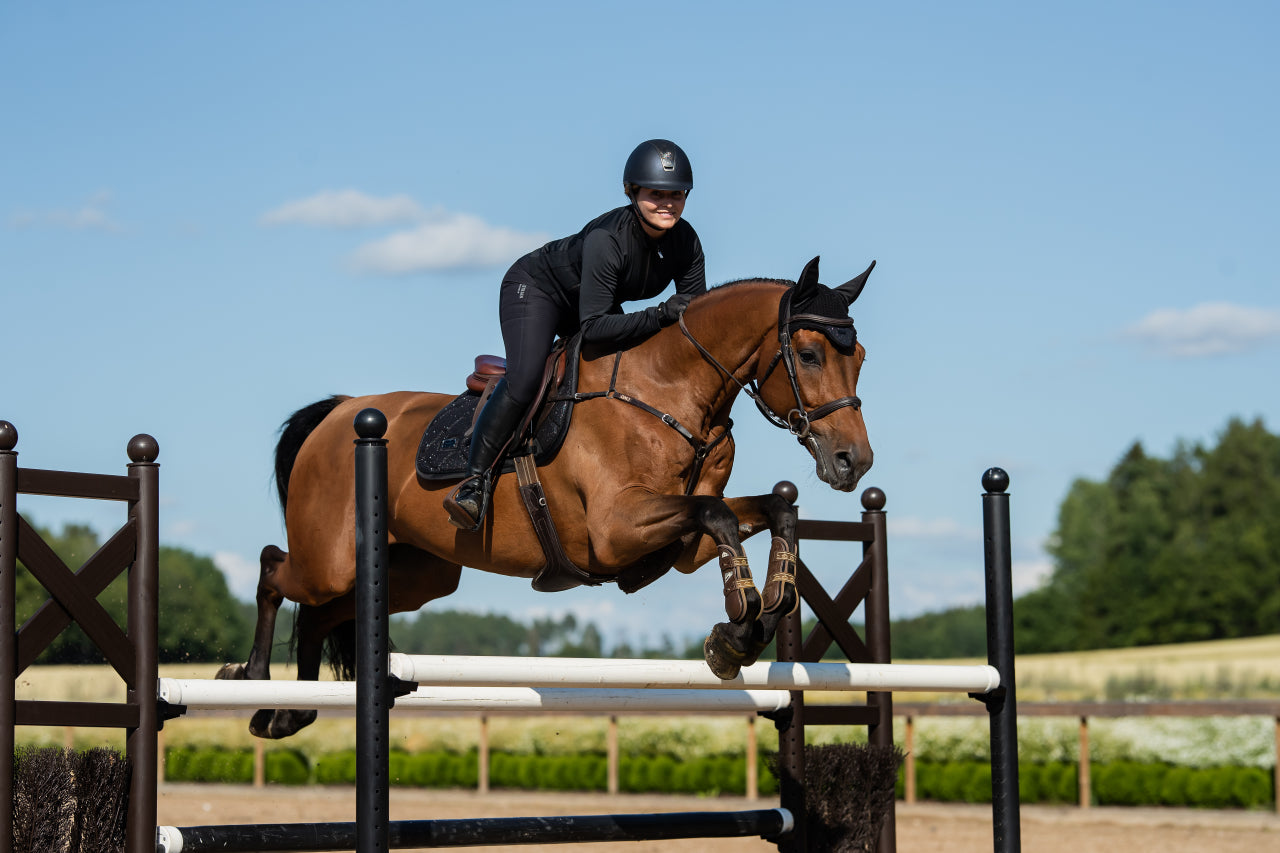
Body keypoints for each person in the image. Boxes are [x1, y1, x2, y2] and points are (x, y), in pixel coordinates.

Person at [444, 139, 707, 531]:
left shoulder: (686, 241)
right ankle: (475, 482)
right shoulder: (609, 239)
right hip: (537, 290)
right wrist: (657, 315)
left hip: (590, 304)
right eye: (656, 194)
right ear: (631, 192)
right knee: (526, 378)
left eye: (676, 195)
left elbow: (693, 322)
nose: (667, 203)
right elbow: (596, 327)